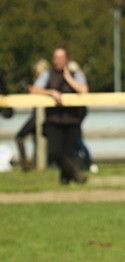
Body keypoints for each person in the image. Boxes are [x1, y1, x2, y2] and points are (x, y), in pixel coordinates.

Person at [29, 46, 89, 185]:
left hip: (72, 120)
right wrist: (51, 92)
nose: (58, 61)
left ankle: (65, 181)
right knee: (54, 153)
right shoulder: (47, 74)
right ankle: (76, 175)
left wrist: (68, 78)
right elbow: (34, 89)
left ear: (67, 59)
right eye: (56, 58)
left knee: (68, 153)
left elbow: (84, 90)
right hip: (53, 120)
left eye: (61, 58)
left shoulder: (76, 74)